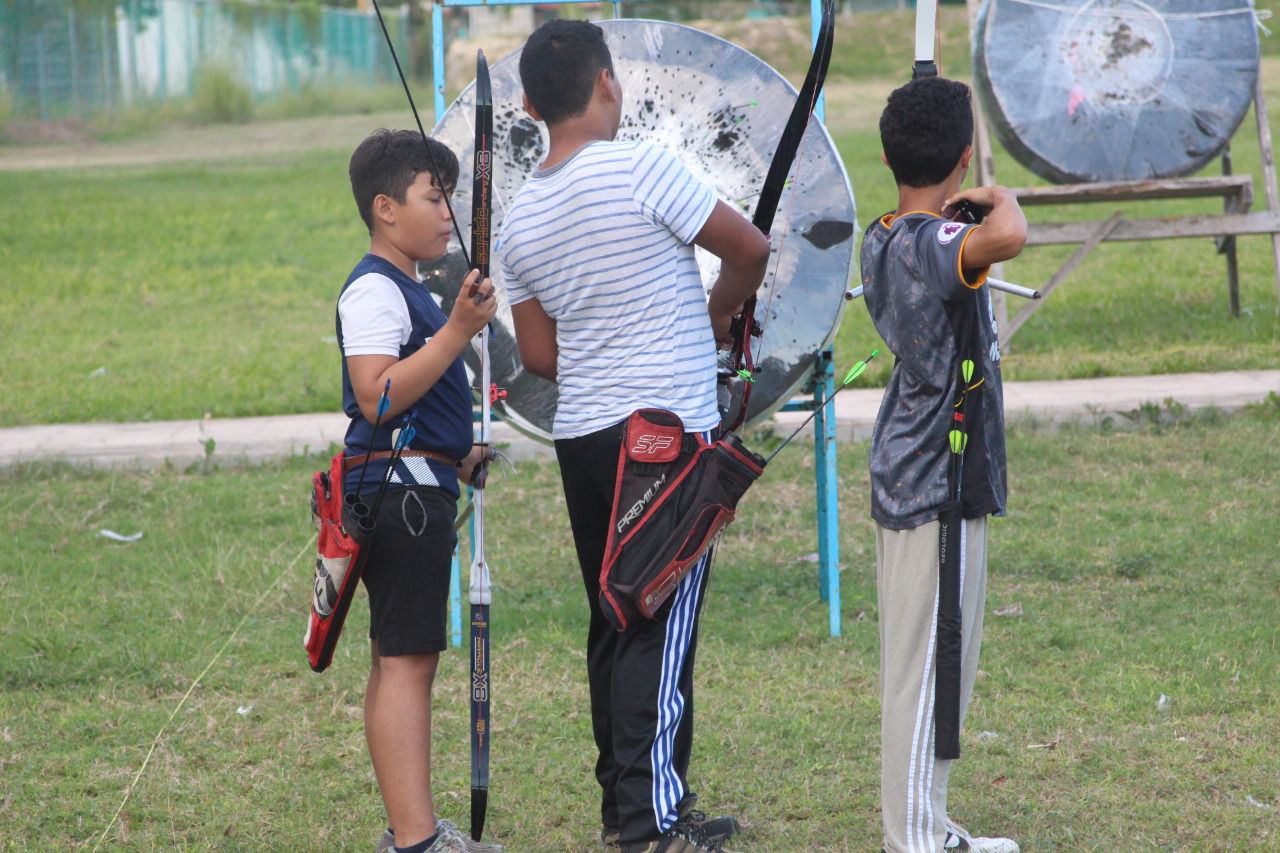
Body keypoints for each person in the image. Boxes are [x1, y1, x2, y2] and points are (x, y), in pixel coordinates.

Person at [494, 19, 770, 853]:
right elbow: (748, 249)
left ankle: (640, 809)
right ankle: (650, 827)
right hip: (663, 434)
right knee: (658, 614)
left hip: (584, 437)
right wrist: (714, 315)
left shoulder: (519, 216)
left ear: (534, 106)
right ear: (608, 84)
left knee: (617, 618)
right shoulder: (643, 167)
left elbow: (539, 355)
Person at [859, 77, 1027, 853]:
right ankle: (914, 839)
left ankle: (931, 822)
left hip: (926, 475)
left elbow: (953, 246)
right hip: (935, 481)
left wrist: (957, 200)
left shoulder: (887, 234)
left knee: (939, 666)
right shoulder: (935, 247)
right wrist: (991, 192)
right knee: (925, 673)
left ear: (889, 155)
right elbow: (1010, 235)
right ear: (962, 158)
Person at [339, 128, 501, 853]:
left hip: (417, 482)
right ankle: (416, 840)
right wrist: (459, 329)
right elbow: (376, 395)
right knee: (407, 663)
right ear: (384, 208)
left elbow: (412, 398)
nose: (448, 215)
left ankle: (414, 831)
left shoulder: (405, 285)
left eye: (450, 199)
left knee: (398, 659)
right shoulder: (375, 286)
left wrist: (459, 453)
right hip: (400, 497)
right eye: (434, 198)